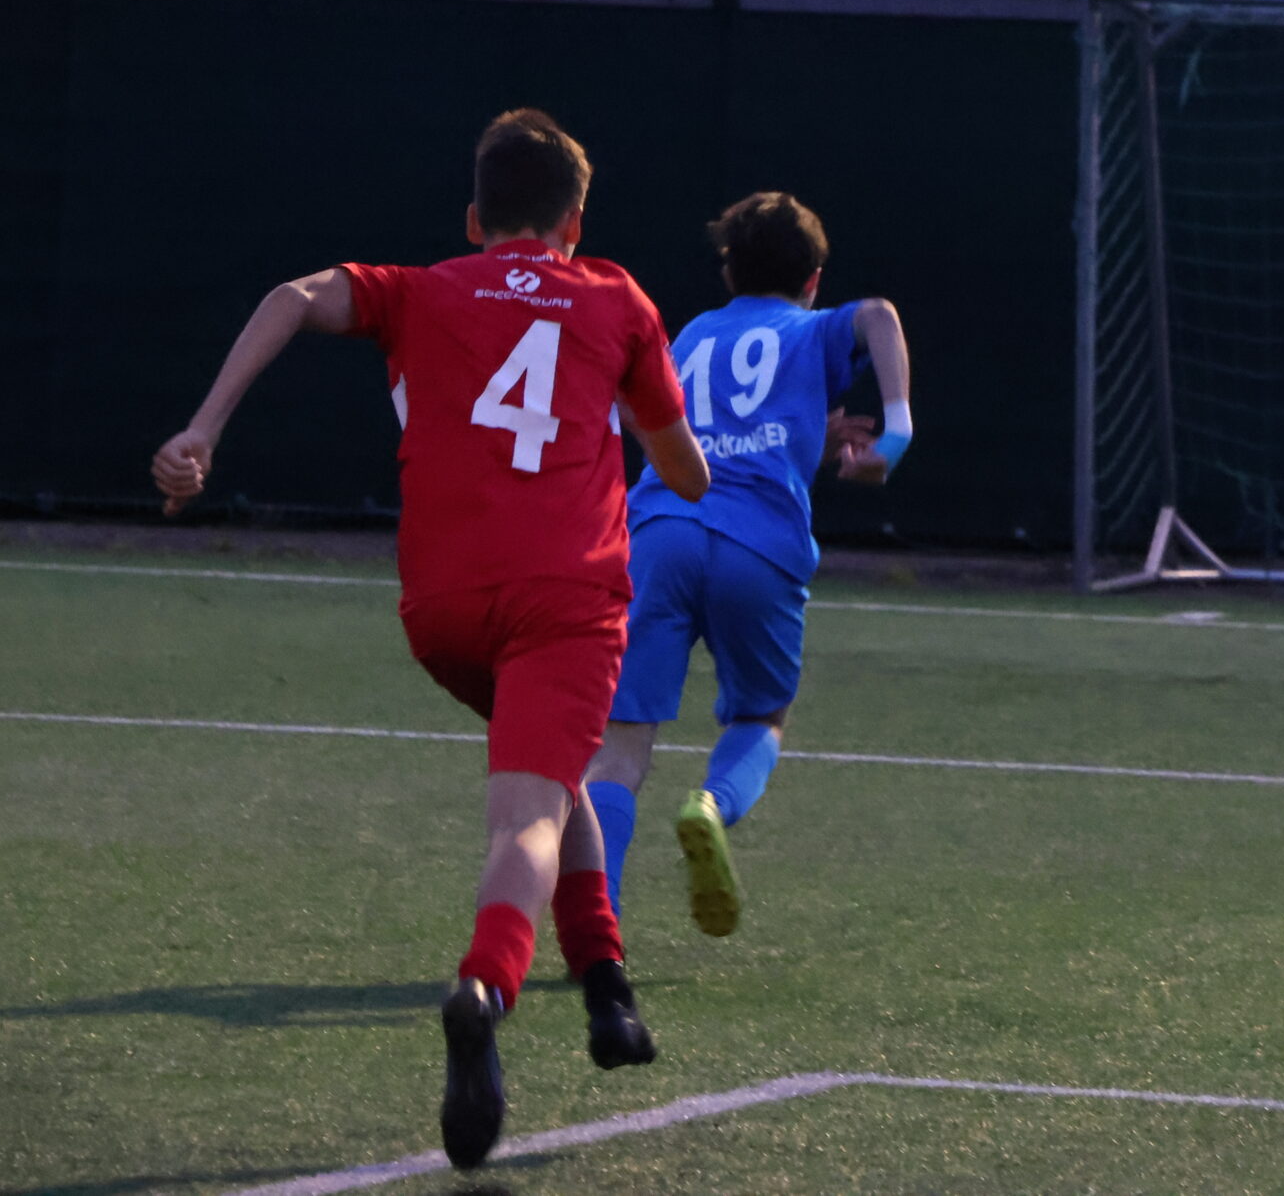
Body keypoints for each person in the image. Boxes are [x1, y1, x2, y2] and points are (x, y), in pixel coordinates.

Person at [149, 109, 709, 1172]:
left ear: (473, 219)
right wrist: (665, 444)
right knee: (525, 818)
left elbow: (292, 296)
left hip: (442, 606)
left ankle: (608, 990)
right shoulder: (616, 296)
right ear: (575, 224)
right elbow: (681, 470)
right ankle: (484, 988)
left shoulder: (422, 288)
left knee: (557, 778)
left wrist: (203, 429)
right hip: (564, 598)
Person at [582, 192, 912, 939]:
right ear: (814, 279)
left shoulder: (695, 333)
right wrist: (893, 437)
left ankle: (598, 926)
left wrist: (798, 440)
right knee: (762, 715)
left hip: (660, 532)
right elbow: (880, 316)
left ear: (728, 271)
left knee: (622, 745)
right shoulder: (811, 328)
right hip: (757, 545)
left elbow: (644, 413)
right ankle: (711, 804)